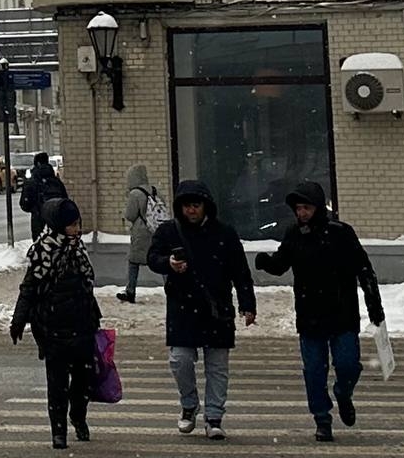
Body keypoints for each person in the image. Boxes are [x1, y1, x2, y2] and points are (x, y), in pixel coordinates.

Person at [255, 180, 384, 443]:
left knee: (348, 365)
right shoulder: (293, 234)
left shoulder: (341, 233)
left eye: (306, 207)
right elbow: (281, 264)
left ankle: (343, 392)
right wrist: (266, 263)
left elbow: (364, 269)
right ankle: (322, 419)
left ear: (317, 207)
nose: (301, 213)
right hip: (309, 313)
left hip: (342, 312)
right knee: (314, 370)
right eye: (298, 208)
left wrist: (374, 305)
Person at [147, 178, 254, 438]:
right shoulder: (169, 232)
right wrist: (168, 263)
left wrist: (247, 303)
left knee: (217, 366)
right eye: (186, 206)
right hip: (182, 306)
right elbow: (152, 258)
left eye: (195, 205)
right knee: (180, 360)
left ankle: (214, 416)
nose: (191, 211)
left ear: (205, 206)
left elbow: (240, 271)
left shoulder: (224, 233)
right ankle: (189, 404)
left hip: (216, 307)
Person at [10, 197, 101, 450]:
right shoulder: (43, 251)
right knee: (57, 384)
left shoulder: (79, 249)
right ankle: (58, 431)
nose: (77, 229)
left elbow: (87, 288)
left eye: (77, 224)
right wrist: (19, 320)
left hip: (82, 327)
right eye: (71, 225)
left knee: (83, 380)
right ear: (58, 225)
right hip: (53, 329)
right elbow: (29, 288)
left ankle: (78, 416)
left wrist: (94, 318)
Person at [120, 163, 153, 303]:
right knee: (160, 260)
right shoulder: (154, 190)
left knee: (133, 262)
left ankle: (130, 290)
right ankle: (171, 287)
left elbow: (130, 215)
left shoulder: (135, 193)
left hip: (141, 232)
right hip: (155, 229)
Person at [17, 152, 68, 240]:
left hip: (39, 219)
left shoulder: (32, 182)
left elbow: (24, 204)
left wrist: (35, 208)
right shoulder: (57, 182)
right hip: (56, 220)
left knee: (40, 246)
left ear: (37, 163)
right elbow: (65, 201)